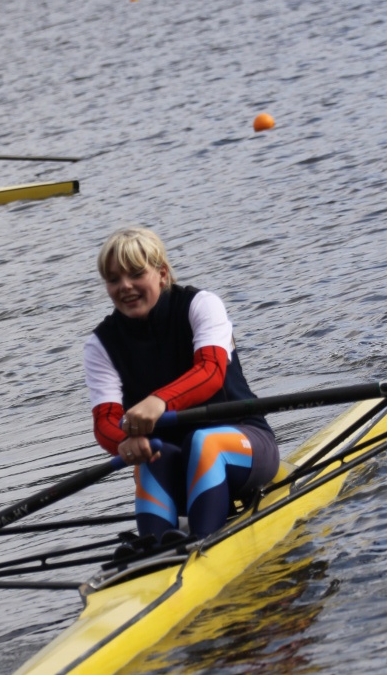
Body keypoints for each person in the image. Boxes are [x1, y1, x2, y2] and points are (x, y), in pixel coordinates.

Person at [84, 227, 280, 543]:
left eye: (136, 274)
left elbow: (210, 372)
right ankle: (155, 553)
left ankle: (202, 543)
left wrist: (159, 401)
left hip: (245, 449)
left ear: (162, 274)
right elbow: (105, 420)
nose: (125, 286)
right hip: (175, 467)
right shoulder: (101, 344)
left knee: (204, 442)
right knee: (150, 456)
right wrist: (125, 441)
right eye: (113, 279)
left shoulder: (200, 305)